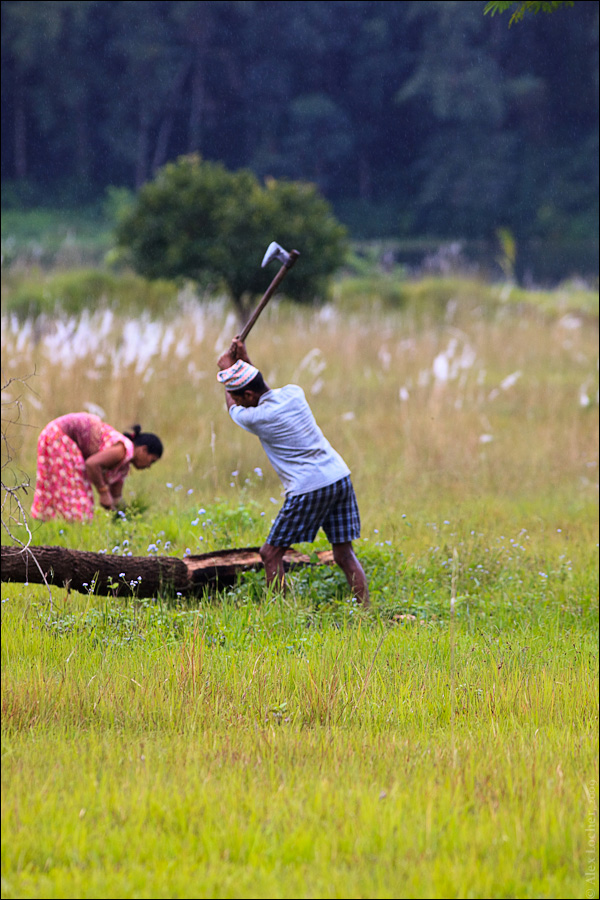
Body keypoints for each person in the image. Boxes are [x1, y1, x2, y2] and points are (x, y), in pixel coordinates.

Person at [217, 338, 370, 606]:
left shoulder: (257, 418)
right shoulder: (294, 394)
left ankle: (279, 614)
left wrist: (227, 369)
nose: (239, 401)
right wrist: (243, 362)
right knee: (344, 554)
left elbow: (234, 407)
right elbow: (260, 388)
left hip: (309, 487)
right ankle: (365, 609)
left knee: (270, 553)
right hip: (339, 477)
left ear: (248, 396)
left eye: (240, 396)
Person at [30, 412, 163, 521]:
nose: (148, 466)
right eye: (151, 461)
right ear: (143, 450)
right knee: (80, 503)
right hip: (59, 436)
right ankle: (71, 532)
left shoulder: (124, 466)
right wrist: (103, 492)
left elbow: (116, 497)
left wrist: (127, 516)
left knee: (55, 493)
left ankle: (48, 527)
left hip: (51, 434)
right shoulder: (123, 450)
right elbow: (92, 464)